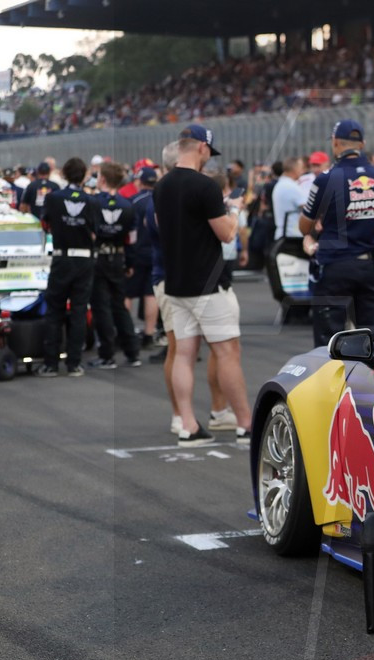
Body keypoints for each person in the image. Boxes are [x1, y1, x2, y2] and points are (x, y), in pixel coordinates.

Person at [154, 124, 252, 446]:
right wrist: (234, 210)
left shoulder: (162, 185)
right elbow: (226, 234)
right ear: (201, 148)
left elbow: (160, 226)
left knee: (183, 353)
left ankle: (188, 424)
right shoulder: (204, 185)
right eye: (209, 150)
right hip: (208, 283)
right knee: (227, 352)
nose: (209, 156)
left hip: (176, 281)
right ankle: (245, 423)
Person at [300, 119, 374, 348]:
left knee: (329, 341)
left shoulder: (324, 179)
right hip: (369, 266)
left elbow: (305, 226)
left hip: (335, 266)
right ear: (361, 144)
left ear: (334, 143)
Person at [37, 157, 95, 378]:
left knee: (55, 310)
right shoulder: (91, 201)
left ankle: (51, 364)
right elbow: (95, 230)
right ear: (84, 175)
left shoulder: (52, 198)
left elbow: (45, 225)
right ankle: (74, 364)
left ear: (63, 174)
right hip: (84, 259)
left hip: (62, 257)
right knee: (79, 310)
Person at [87, 161, 142, 370]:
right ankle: (132, 352)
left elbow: (89, 232)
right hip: (118, 258)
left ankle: (107, 355)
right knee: (119, 306)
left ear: (101, 179)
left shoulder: (93, 202)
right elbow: (131, 238)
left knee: (101, 307)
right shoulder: (128, 205)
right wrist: (130, 262)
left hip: (98, 258)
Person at [128, 166, 160, 349]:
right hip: (155, 253)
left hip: (136, 252)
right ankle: (149, 333)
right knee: (151, 294)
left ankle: (126, 332)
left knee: (128, 293)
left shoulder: (134, 201)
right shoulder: (160, 201)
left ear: (140, 182)